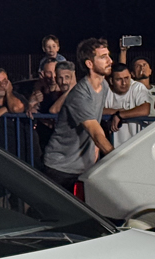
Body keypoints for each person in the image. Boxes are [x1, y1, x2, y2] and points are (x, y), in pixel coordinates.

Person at [42, 38, 113, 192]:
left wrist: (94, 153)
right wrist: (117, 159)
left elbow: (96, 120)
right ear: (89, 64)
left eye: (108, 55)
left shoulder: (104, 86)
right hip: (61, 167)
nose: (110, 61)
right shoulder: (80, 95)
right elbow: (95, 132)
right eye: (103, 57)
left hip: (82, 166)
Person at [103, 63, 154, 147]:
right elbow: (95, 110)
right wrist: (116, 111)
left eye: (126, 78)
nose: (124, 83)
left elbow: (145, 109)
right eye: (119, 79)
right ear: (111, 81)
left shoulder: (137, 87)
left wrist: (119, 115)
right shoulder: (106, 90)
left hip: (138, 144)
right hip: (115, 146)